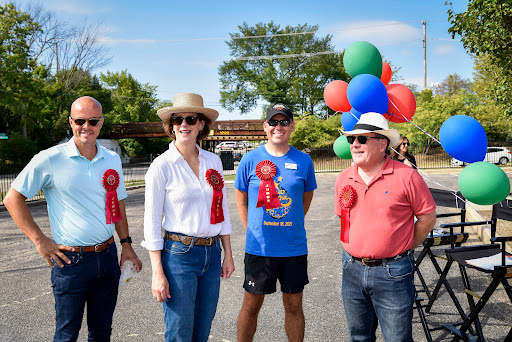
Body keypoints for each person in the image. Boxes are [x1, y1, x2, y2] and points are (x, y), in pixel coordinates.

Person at [3, 96, 142, 341]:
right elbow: (12, 199)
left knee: (102, 333)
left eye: (93, 121)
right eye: (80, 120)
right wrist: (41, 241)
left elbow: (117, 205)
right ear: (70, 121)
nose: (86, 126)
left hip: (107, 256)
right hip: (71, 262)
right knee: (66, 335)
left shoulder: (111, 159)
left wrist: (126, 245)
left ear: (101, 123)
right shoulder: (50, 158)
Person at [334, 112, 436, 342]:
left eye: (362, 139)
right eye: (352, 140)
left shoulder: (407, 176)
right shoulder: (343, 178)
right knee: (359, 337)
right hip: (351, 268)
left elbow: (428, 218)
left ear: (382, 144)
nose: (355, 145)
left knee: (397, 339)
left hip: (394, 272)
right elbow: (343, 218)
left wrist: (401, 247)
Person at [143, 92, 234, 342]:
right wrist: (157, 273)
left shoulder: (213, 161)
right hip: (178, 255)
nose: (184, 124)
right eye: (177, 119)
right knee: (180, 331)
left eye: (191, 119)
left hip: (212, 254)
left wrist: (228, 253)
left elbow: (222, 211)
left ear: (201, 124)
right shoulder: (161, 166)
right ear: (171, 126)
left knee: (202, 329)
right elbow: (151, 224)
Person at [235, 103, 317, 342]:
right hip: (259, 249)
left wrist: (290, 224)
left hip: (293, 248)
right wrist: (252, 230)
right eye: (273, 122)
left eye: (283, 122)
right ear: (265, 126)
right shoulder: (250, 160)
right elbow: (241, 200)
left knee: (294, 305)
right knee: (251, 305)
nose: (278, 126)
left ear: (291, 126)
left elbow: (305, 201)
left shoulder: (304, 161)